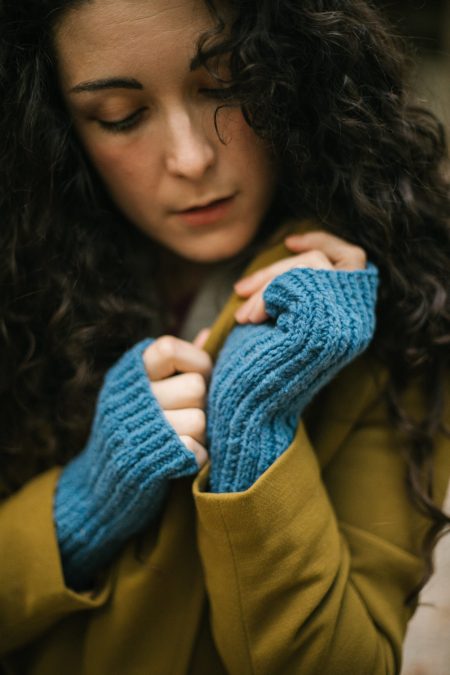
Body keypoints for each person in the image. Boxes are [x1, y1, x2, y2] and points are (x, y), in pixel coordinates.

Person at [0, 0, 449, 673]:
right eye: (120, 116)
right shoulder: (21, 292)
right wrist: (81, 508)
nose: (189, 157)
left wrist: (255, 425)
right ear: (54, 127)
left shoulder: (389, 307)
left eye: (227, 86)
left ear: (294, 74)